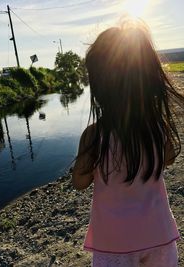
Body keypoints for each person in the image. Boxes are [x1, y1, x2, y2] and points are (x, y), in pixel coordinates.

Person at [72, 18, 184, 267]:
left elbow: (80, 182)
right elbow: (168, 158)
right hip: (159, 236)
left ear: (99, 87)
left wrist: (84, 166)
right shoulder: (157, 128)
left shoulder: (93, 136)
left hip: (114, 243)